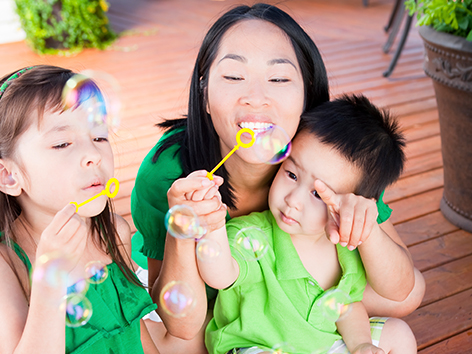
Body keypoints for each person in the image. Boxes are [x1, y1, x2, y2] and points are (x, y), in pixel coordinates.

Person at [131, 2, 424, 351]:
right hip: (214, 297)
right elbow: (178, 318)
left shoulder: (330, 157)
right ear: (204, 92)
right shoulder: (168, 172)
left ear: (307, 93)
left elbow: (404, 291)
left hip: (301, 286)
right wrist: (184, 230)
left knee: (403, 298)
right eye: (233, 76)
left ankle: (294, 319)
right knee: (181, 343)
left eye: (279, 78)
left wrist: (367, 225)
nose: (257, 98)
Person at [174, 94, 417, 354]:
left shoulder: (347, 246)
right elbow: (219, 275)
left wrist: (361, 344)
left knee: (399, 335)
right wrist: (213, 224)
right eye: (291, 174)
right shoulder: (254, 234)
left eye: (317, 194)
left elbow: (346, 306)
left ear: (351, 204)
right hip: (258, 347)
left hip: (322, 344)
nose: (293, 200)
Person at [0, 65, 160, 354]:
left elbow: (138, 338)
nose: (93, 155)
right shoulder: (7, 264)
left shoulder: (113, 233)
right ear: (8, 176)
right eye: (62, 143)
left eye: (99, 137)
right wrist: (50, 279)